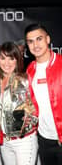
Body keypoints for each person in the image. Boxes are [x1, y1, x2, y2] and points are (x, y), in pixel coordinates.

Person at [0, 42, 38, 165]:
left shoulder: (24, 80)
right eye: (3, 58)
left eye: (11, 58)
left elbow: (36, 111)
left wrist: (26, 124)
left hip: (24, 141)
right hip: (5, 142)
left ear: (17, 60)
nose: (6, 63)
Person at [25, 23, 62, 165]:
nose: (35, 45)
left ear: (48, 39)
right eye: (30, 41)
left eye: (39, 39)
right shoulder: (30, 69)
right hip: (43, 139)